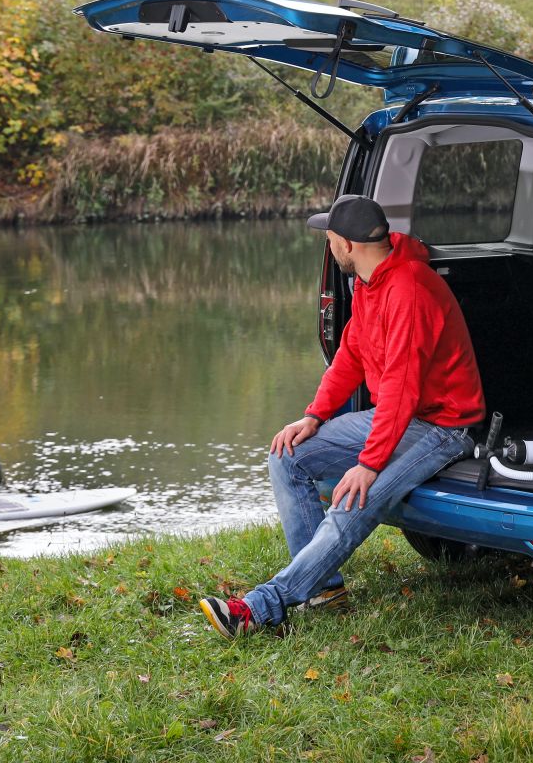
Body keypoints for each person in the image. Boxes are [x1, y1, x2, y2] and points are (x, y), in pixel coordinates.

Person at [198, 195, 484, 637]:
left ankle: (259, 608)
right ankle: (324, 590)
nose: (326, 245)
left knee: (354, 498)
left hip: (442, 426)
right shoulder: (371, 284)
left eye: (328, 237)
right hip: (398, 417)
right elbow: (351, 354)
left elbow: (401, 389)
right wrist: (313, 417)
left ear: (347, 244)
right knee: (288, 455)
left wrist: (369, 465)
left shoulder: (408, 289)